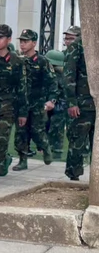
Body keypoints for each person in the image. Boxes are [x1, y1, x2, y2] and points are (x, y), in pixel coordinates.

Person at [0, 24, 28, 186]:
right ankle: (5, 159)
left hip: (7, 108)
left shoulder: (16, 61)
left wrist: (23, 112)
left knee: (0, 141)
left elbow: (22, 87)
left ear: (8, 39)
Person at [13, 29, 56, 170]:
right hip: (21, 104)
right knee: (21, 132)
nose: (23, 44)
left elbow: (52, 82)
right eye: (21, 41)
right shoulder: (17, 59)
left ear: (34, 43)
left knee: (37, 130)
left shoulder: (42, 61)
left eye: (26, 41)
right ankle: (22, 160)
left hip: (37, 102)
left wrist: (52, 100)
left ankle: (45, 147)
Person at [64, 32, 95, 181]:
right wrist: (72, 102)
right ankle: (74, 175)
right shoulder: (78, 45)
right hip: (83, 104)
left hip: (96, 103)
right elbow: (68, 74)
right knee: (78, 142)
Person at [45, 49, 67, 159]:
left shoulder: (59, 75)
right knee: (51, 127)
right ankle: (51, 150)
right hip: (55, 105)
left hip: (59, 106)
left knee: (56, 129)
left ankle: (56, 152)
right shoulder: (55, 74)